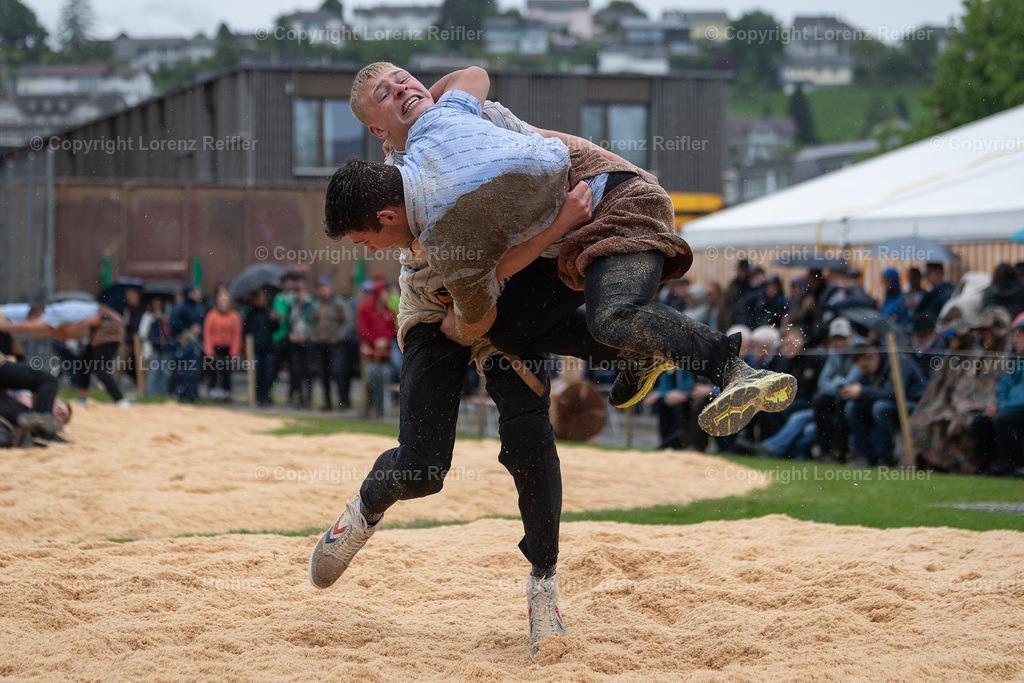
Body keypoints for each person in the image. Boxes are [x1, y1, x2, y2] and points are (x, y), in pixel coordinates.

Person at [327, 63, 796, 437]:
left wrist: (618, 168)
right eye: (385, 95)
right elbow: (449, 262)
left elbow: (523, 119)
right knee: (511, 327)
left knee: (612, 314)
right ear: (376, 130)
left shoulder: (456, 115)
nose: (401, 90)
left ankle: (735, 370)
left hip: (606, 204)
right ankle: (640, 353)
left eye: (402, 80)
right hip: (564, 240)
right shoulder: (397, 180)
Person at [0, 300, 129, 408]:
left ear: (39, 314)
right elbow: (59, 334)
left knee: (99, 367)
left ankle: (120, 400)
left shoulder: (52, 314)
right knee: (85, 363)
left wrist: (4, 327)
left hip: (108, 322)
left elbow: (29, 327)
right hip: (103, 324)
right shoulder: (55, 317)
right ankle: (83, 399)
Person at [841, 340, 927, 467]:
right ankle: (866, 457)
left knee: (880, 408)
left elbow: (894, 394)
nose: (863, 372)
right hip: (890, 402)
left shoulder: (897, 361)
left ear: (875, 356)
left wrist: (862, 391)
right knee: (852, 407)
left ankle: (886, 459)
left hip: (916, 404)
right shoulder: (870, 368)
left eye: (865, 367)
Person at [971, 311, 1024, 477]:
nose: (1015, 339)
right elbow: (1003, 386)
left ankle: (1012, 465)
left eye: (1020, 335)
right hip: (1009, 407)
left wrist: (1002, 407)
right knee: (981, 419)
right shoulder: (1016, 360)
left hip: (1017, 409)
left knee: (1003, 420)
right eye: (1014, 335)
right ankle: (988, 465)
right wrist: (996, 404)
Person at [812, 317, 860, 461]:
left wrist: (838, 381)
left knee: (842, 402)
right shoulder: (833, 351)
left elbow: (853, 380)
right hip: (839, 393)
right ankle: (824, 450)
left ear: (851, 335)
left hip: (856, 394)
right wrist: (840, 383)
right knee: (819, 400)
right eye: (835, 339)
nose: (839, 343)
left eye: (842, 338)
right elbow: (822, 383)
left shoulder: (860, 348)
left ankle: (840, 451)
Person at [357, 281, 396, 419]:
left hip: (384, 353)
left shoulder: (388, 311)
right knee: (367, 382)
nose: (388, 295)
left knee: (383, 381)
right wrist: (375, 341)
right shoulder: (366, 308)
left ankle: (379, 410)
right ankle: (365, 412)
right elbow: (362, 329)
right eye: (385, 292)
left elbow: (392, 329)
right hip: (369, 352)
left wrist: (385, 340)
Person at [309, 277, 349, 411]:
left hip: (336, 344)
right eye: (320, 288)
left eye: (325, 287)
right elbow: (312, 322)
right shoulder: (316, 305)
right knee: (323, 374)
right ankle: (327, 402)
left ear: (329, 288)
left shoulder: (339, 303)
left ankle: (343, 401)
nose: (323, 291)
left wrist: (338, 337)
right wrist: (313, 334)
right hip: (321, 344)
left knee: (338, 372)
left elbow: (347, 322)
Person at [203, 290, 242, 403]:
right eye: (221, 302)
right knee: (214, 371)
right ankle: (213, 393)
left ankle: (226, 393)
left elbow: (236, 335)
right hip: (215, 347)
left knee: (226, 372)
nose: (223, 304)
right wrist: (209, 351)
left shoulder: (234, 316)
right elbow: (208, 333)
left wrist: (234, 352)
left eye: (225, 302)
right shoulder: (212, 315)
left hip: (228, 348)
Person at [245, 289, 277, 407]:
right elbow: (246, 330)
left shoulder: (269, 312)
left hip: (268, 348)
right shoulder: (250, 313)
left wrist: (274, 320)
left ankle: (266, 396)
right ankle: (257, 397)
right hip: (255, 349)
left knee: (268, 375)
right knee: (256, 375)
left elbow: (275, 328)